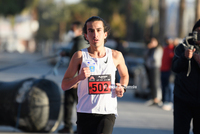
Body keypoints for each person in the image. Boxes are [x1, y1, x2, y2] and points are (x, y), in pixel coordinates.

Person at [61, 16, 129, 134]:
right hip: (85, 112)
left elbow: (125, 76)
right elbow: (64, 85)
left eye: (98, 30)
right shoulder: (79, 56)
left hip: (107, 112)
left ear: (105, 34)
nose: (95, 34)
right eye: (91, 31)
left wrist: (122, 87)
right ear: (86, 35)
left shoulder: (116, 56)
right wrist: (78, 78)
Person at [58, 21, 88, 133]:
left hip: (76, 81)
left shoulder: (80, 42)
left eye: (73, 29)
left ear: (80, 31)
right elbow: (73, 55)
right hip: (76, 79)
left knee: (74, 104)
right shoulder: (78, 41)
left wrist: (75, 80)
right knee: (72, 104)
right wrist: (65, 53)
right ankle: (70, 126)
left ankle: (71, 127)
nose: (71, 32)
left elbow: (80, 62)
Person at [172, 19, 200, 134]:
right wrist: (184, 57)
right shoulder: (183, 46)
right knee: (180, 131)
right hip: (182, 98)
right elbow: (175, 67)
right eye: (197, 31)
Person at [144, 37, 163, 106]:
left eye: (153, 42)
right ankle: (153, 98)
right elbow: (145, 56)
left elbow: (155, 58)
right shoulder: (150, 49)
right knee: (151, 83)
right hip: (149, 67)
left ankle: (157, 99)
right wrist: (148, 48)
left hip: (155, 67)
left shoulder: (158, 49)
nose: (151, 43)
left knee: (155, 83)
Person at [160, 37, 174, 111]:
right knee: (163, 86)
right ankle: (164, 101)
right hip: (163, 70)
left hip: (169, 71)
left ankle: (170, 102)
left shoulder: (173, 49)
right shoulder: (164, 48)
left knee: (169, 87)